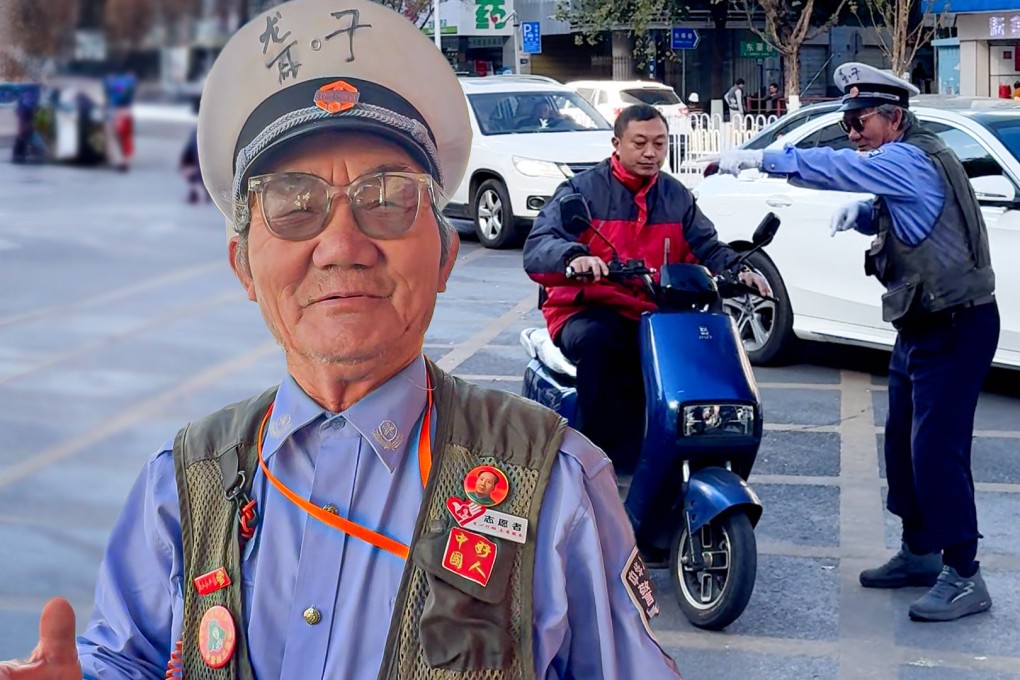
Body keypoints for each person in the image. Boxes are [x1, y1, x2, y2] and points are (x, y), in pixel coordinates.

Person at [0, 1, 684, 678]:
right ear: (244, 265)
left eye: (386, 198)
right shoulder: (181, 486)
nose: (341, 245)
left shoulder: (554, 486)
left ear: (445, 255)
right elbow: (129, 659)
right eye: (293, 204)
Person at [719, 62, 999, 623]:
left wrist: (765, 158)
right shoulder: (911, 158)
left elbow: (837, 167)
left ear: (892, 117)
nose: (851, 131)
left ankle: (965, 573)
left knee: (937, 451)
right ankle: (920, 551)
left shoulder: (909, 156)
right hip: (923, 322)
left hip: (955, 324)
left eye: (858, 119)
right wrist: (868, 214)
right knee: (902, 444)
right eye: (847, 120)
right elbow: (914, 212)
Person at [522, 103, 770, 561]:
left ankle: (667, 476)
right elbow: (539, 245)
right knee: (604, 345)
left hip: (655, 315)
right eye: (640, 143)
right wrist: (574, 257)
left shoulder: (675, 196)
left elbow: (707, 246)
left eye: (658, 143)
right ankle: (598, 465)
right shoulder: (581, 193)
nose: (651, 153)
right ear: (616, 144)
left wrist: (738, 268)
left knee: (693, 364)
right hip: (588, 309)